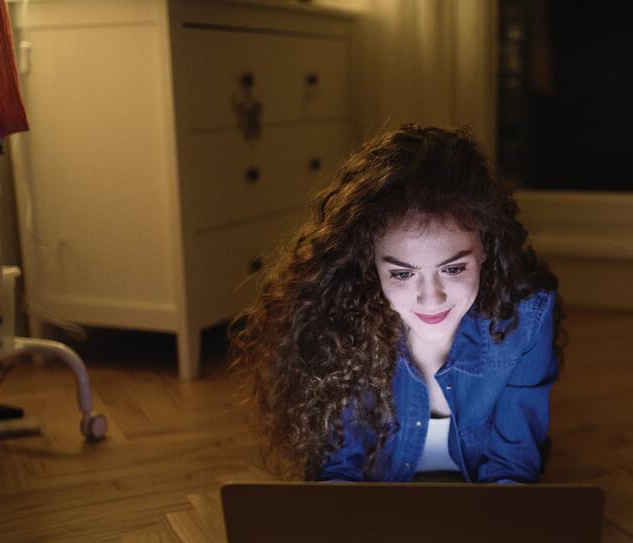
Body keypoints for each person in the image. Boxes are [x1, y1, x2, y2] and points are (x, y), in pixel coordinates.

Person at [232, 125, 563, 483]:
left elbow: (512, 468)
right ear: (369, 259)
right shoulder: (342, 322)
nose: (431, 297)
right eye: (403, 274)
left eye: (453, 268)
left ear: (485, 246)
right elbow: (339, 470)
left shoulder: (526, 318)